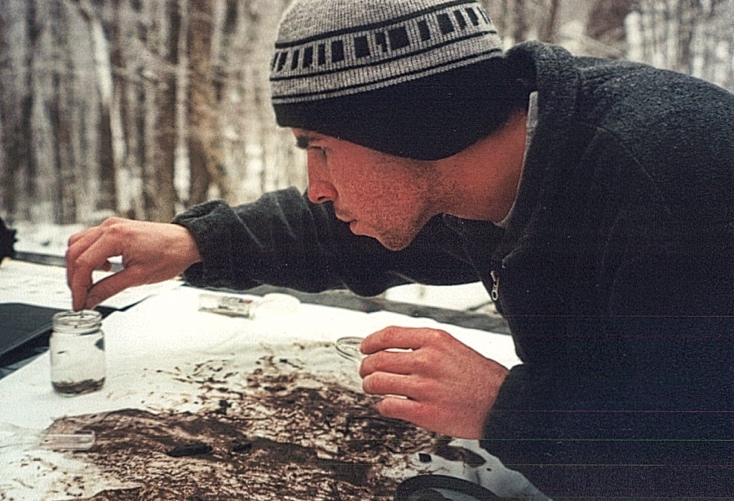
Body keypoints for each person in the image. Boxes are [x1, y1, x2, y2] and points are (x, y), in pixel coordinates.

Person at [66, 0, 734, 497]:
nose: (316, 187)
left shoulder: (672, 186)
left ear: (406, 121)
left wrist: (508, 407)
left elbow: (709, 457)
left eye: (319, 147)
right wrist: (194, 241)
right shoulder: (489, 167)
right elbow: (341, 229)